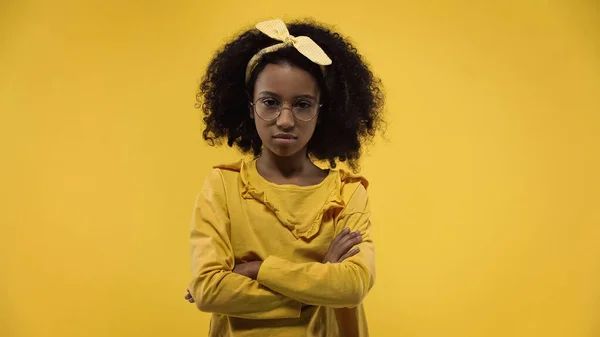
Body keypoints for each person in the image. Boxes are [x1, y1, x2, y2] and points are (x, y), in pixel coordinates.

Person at [184, 18, 385, 337]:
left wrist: (254, 270)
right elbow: (209, 289)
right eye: (270, 102)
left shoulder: (348, 193)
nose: (286, 120)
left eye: (303, 104)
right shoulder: (223, 186)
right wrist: (317, 282)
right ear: (250, 107)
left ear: (322, 110)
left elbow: (352, 286)